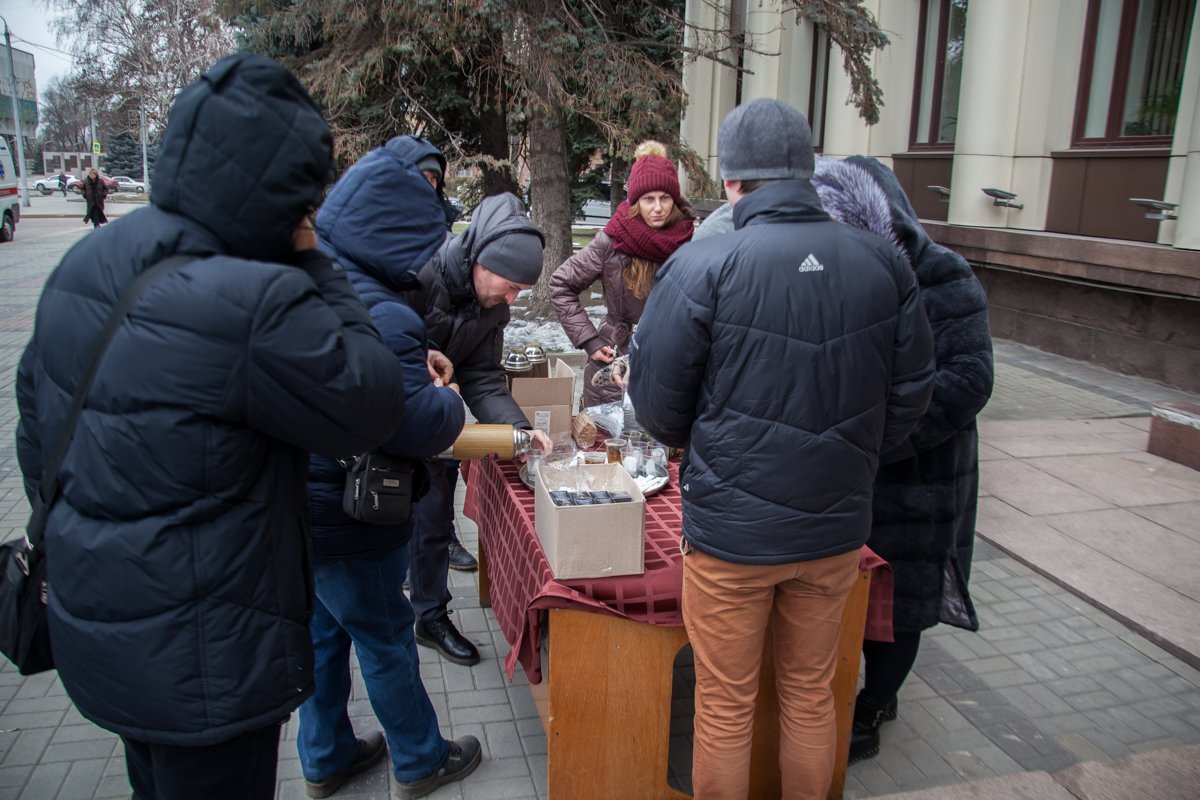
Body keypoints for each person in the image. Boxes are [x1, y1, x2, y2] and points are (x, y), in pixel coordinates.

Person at [15, 53, 410, 800]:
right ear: (287, 190)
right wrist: (316, 261)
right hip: (208, 658)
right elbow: (372, 400)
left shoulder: (88, 259)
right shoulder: (253, 299)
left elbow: (36, 427)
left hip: (100, 628)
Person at [627, 99, 936, 800]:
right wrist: (854, 458)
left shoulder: (704, 263)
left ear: (732, 181)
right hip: (834, 529)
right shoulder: (883, 263)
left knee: (726, 706)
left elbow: (659, 411)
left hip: (732, 538)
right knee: (811, 694)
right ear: (806, 168)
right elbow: (913, 394)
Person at [300, 140, 482, 799]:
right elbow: (409, 422)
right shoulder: (385, 311)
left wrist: (417, 357)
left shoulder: (318, 276)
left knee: (324, 634)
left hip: (301, 504)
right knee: (383, 638)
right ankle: (421, 757)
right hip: (351, 511)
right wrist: (447, 402)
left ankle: (325, 755)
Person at [809, 156, 994, 763]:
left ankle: (876, 702)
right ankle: (837, 690)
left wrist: (881, 431)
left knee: (902, 602)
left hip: (921, 472)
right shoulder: (834, 278)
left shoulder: (944, 275)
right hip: (849, 470)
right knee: (846, 594)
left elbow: (969, 380)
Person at [402, 191, 551, 666]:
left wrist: (520, 432)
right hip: (392, 420)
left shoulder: (495, 306)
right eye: (508, 286)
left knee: (432, 516)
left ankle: (429, 616)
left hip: (438, 426)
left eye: (519, 293)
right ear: (479, 261)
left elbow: (483, 376)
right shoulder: (419, 276)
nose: (511, 300)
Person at [386, 135, 477, 572]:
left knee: (442, 473)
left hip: (435, 370)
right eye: (419, 176)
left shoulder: (439, 235)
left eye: (433, 180)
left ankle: (441, 540)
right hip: (396, 381)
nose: (427, 188)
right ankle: (407, 549)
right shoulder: (375, 238)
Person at [550, 140, 695, 407]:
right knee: (606, 445)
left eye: (665, 198)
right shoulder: (611, 241)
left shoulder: (688, 242)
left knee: (660, 446)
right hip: (614, 364)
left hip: (669, 365)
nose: (658, 207)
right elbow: (561, 284)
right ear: (636, 201)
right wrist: (589, 340)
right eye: (648, 199)